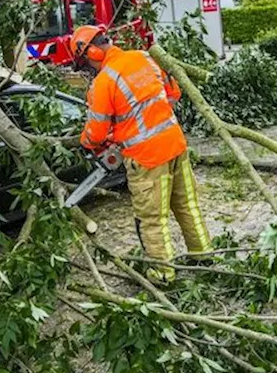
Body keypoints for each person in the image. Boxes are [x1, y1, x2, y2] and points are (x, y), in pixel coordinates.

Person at [72, 25, 211, 282]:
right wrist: (132, 124)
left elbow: (96, 133)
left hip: (147, 158)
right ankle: (204, 256)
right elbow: (172, 94)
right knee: (187, 206)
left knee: (151, 220)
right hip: (175, 143)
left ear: (92, 51)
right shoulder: (144, 57)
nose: (88, 68)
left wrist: (88, 143)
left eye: (86, 63)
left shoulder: (104, 81)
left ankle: (162, 274)